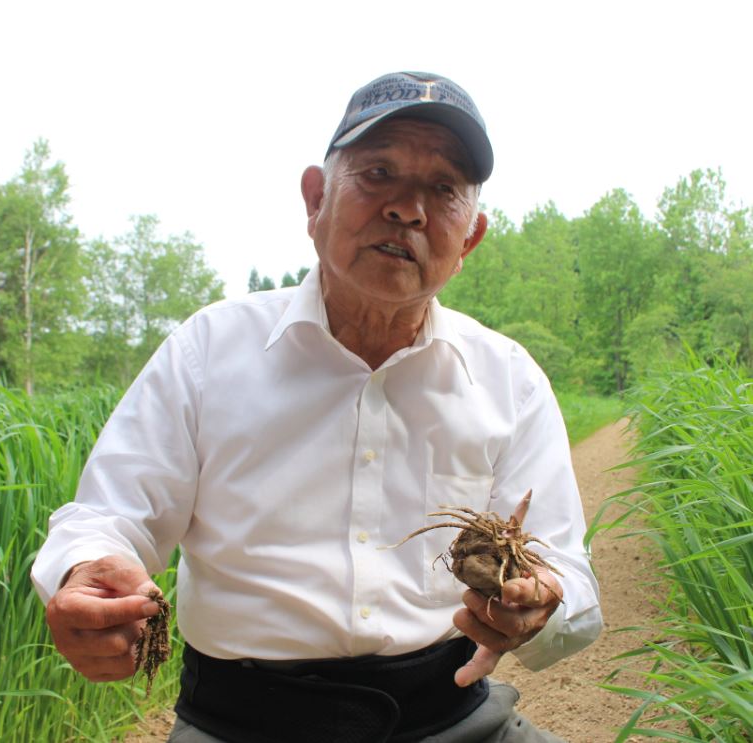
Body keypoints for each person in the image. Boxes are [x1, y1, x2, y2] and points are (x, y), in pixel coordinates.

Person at [32, 71, 602, 742]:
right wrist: (85, 570)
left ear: (469, 237)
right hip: (239, 725)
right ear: (314, 200)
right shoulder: (208, 352)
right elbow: (106, 517)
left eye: (442, 189)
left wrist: (541, 606)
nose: (408, 209)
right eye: (378, 172)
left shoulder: (508, 380)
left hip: (456, 720)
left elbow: (569, 580)